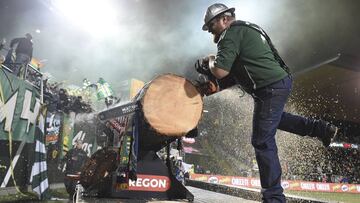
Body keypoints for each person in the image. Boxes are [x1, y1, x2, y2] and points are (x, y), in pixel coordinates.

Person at [197, 3, 339, 202]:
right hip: (276, 83)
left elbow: (220, 70)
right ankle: (321, 129)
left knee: (262, 140)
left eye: (211, 25)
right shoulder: (249, 29)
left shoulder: (230, 35)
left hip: (269, 86)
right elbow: (235, 74)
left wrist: (209, 60)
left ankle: (273, 197)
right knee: (275, 119)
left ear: (224, 19)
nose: (210, 31)